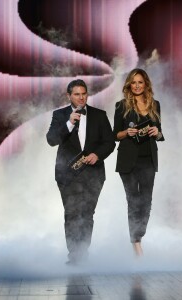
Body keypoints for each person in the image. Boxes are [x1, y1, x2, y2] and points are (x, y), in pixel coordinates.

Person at [46, 79, 115, 265]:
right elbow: (51, 140)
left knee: (87, 214)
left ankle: (83, 254)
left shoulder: (99, 115)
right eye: (77, 94)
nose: (81, 97)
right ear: (69, 96)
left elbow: (109, 142)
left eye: (84, 93)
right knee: (72, 212)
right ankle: (74, 256)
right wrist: (68, 124)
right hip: (67, 174)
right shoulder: (60, 115)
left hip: (93, 173)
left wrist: (97, 155)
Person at [113, 68, 164, 257]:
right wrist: (126, 133)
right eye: (133, 82)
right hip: (128, 161)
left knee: (146, 201)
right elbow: (114, 134)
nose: (136, 86)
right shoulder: (121, 105)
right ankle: (136, 244)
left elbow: (160, 132)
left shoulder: (155, 105)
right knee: (133, 201)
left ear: (146, 84)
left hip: (148, 159)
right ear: (129, 85)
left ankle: (137, 235)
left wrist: (156, 133)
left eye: (140, 82)